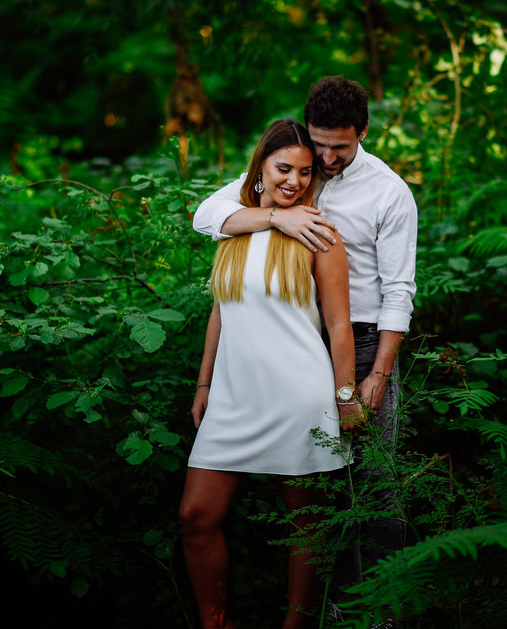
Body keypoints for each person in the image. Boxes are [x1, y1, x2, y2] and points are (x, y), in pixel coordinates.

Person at [192, 76, 418, 624]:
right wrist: (278, 215)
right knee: (325, 498)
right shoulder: (290, 170)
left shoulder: (388, 192)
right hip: (285, 334)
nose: (326, 159)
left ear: (363, 132)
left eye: (340, 147)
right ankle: (335, 610)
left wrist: (374, 377)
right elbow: (206, 216)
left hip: (360, 340)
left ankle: (379, 614)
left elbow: (398, 292)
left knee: (371, 488)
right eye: (320, 145)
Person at [180, 118, 364, 629]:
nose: (294, 181)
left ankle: (295, 624)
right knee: (196, 517)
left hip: (300, 398)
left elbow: (339, 325)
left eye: (305, 173)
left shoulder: (320, 234)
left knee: (306, 525)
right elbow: (222, 309)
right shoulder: (235, 227)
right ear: (260, 167)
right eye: (284, 168)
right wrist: (204, 383)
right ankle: (216, 623)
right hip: (233, 398)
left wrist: (346, 396)